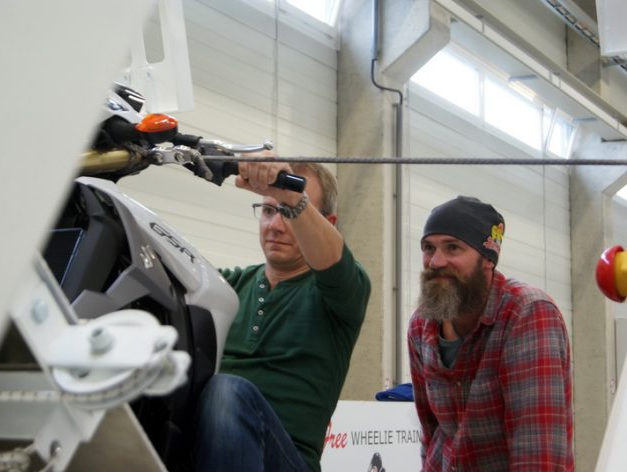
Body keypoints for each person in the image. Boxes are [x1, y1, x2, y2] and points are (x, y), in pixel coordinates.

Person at [192, 160, 371, 472]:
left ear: (328, 223)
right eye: (268, 210)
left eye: (287, 212)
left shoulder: (341, 293)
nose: (275, 225)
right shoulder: (229, 285)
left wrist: (293, 197)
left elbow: (334, 261)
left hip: (289, 461)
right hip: (204, 452)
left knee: (226, 392)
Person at [407, 196, 573, 471]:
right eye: (428, 248)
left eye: (452, 247)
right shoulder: (421, 325)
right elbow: (431, 434)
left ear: (487, 259)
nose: (435, 261)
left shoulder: (527, 313)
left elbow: (538, 452)